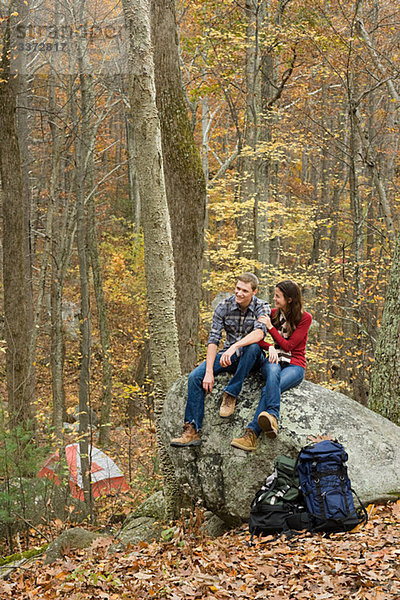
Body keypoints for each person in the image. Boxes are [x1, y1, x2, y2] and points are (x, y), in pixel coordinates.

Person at [171, 273, 270, 447]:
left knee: (253, 347)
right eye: (237, 288)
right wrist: (209, 372)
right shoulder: (223, 307)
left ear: (254, 292)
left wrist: (235, 346)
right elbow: (213, 340)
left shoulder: (262, 307)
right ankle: (192, 429)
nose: (239, 293)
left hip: (251, 358)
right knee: (195, 377)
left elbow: (259, 333)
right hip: (228, 357)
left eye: (244, 291)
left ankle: (231, 393)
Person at [231, 280, 312, 452]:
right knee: (273, 370)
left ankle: (251, 434)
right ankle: (272, 416)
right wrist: (269, 347)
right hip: (275, 361)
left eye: (278, 296)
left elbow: (289, 346)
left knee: (268, 389)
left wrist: (271, 328)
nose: (274, 299)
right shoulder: (273, 314)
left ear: (289, 299)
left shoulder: (305, 318)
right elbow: (255, 336)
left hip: (295, 365)